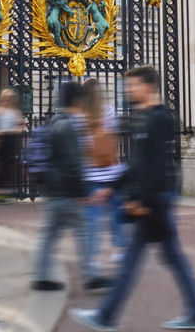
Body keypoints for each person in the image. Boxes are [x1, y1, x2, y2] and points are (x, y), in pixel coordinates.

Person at [69, 65, 195, 331]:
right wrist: (111, 188)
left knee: (136, 260)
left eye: (134, 85)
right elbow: (137, 163)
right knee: (167, 257)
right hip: (155, 197)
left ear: (149, 86)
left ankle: (106, 316)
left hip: (156, 199)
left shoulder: (159, 118)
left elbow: (156, 166)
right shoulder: (142, 117)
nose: (129, 90)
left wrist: (141, 200)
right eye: (128, 85)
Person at [32, 82, 106, 291]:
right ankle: (91, 276)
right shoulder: (69, 126)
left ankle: (41, 276)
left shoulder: (54, 122)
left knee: (49, 236)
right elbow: (74, 162)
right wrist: (81, 192)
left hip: (54, 189)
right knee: (82, 232)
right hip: (67, 192)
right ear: (77, 101)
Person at [80, 77, 127, 269]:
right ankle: (119, 250)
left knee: (92, 220)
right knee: (116, 214)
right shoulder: (109, 111)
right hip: (111, 171)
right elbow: (114, 140)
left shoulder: (80, 116)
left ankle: (93, 259)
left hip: (90, 174)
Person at [0, 88, 26, 200]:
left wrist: (16, 130)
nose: (8, 100)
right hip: (0, 142)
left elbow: (22, 125)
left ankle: (10, 192)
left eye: (10, 98)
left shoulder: (16, 112)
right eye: (6, 98)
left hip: (12, 141)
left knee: (10, 167)